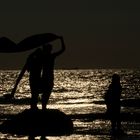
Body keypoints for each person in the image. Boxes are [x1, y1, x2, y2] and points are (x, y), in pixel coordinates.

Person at [10, 36, 65, 110]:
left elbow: (60, 50)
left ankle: (40, 108)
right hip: (40, 80)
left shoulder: (45, 57)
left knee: (40, 95)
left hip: (42, 79)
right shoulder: (42, 58)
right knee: (38, 95)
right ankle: (38, 108)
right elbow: (61, 50)